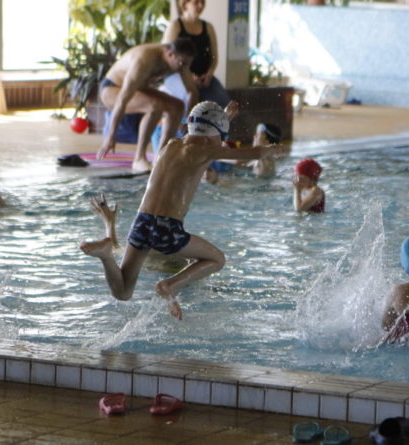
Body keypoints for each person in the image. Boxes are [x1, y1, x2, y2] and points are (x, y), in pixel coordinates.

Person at [80, 100, 285, 320]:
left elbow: (206, 130)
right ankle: (169, 284)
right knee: (217, 260)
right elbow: (251, 154)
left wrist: (225, 116)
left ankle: (105, 256)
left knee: (123, 292)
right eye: (221, 135)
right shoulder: (207, 150)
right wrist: (270, 149)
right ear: (213, 135)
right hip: (167, 227)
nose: (222, 140)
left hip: (142, 222)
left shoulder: (171, 145)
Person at [98, 38, 197, 173]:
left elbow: (192, 91)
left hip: (138, 89)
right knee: (154, 105)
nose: (183, 68)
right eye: (182, 63)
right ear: (169, 55)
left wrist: (188, 122)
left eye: (187, 64)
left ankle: (161, 157)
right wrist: (110, 136)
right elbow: (122, 99)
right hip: (111, 90)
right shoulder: (144, 60)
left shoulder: (179, 60)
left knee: (177, 107)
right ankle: (139, 158)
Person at [161, 0, 229, 109]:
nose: (201, 5)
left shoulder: (208, 27)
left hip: (204, 77)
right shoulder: (175, 26)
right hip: (177, 75)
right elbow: (166, 58)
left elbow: (214, 57)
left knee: (222, 103)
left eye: (202, 2)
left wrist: (209, 74)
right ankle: (183, 125)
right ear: (184, 4)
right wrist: (189, 77)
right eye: (196, 2)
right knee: (189, 99)